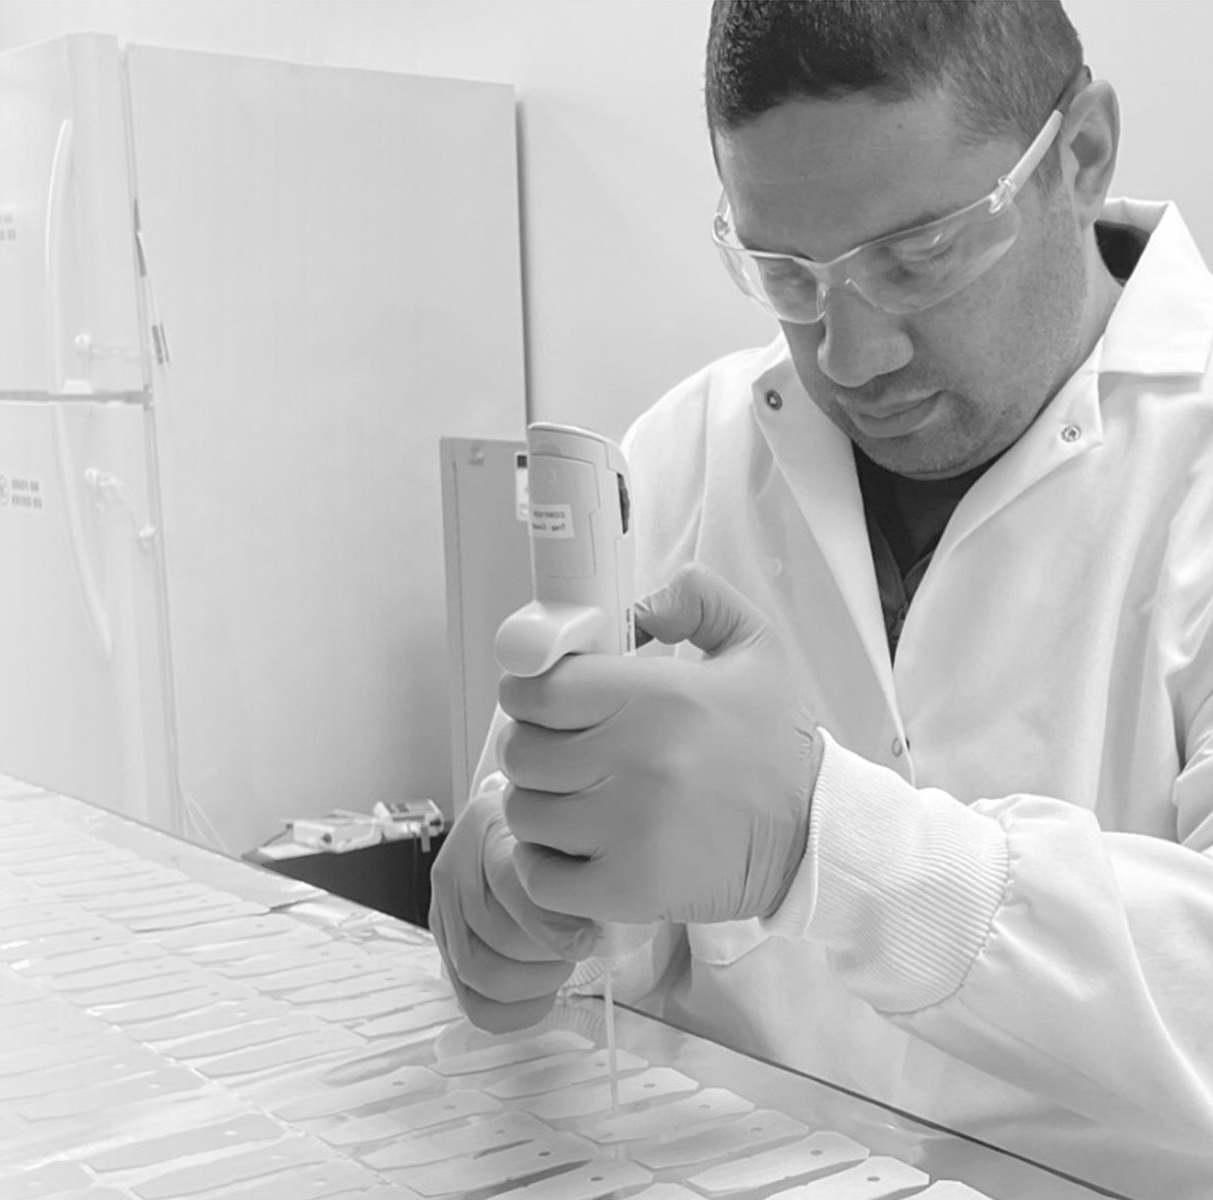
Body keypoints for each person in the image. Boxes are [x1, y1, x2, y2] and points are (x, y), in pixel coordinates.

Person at [428, 2, 1213, 1196]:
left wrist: (824, 843)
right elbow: (560, 900)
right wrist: (522, 908)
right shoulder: (688, 446)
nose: (850, 356)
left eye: (918, 255)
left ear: (1079, 155)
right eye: (785, 275)